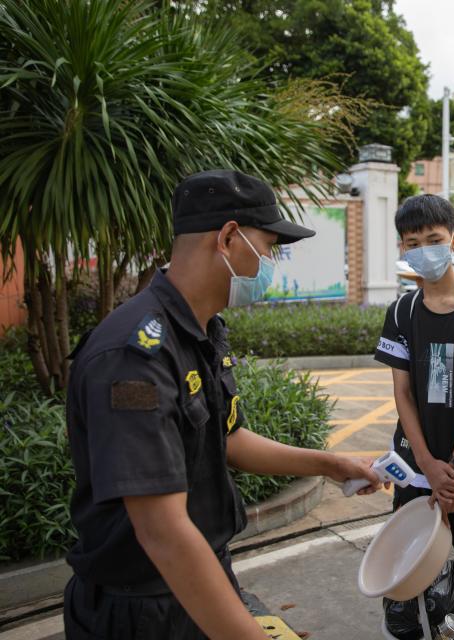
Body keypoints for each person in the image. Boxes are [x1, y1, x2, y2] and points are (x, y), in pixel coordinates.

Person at [62, 170, 382, 640]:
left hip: (198, 581)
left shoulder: (203, 329)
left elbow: (228, 437)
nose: (271, 262)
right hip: (144, 609)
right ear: (230, 237)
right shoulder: (134, 355)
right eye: (269, 246)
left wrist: (330, 464)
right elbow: (163, 532)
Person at [374, 194, 454, 639]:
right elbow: (403, 393)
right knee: (411, 567)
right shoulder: (402, 312)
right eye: (413, 243)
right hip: (415, 468)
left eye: (434, 239)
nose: (424, 250)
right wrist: (428, 467)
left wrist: (453, 470)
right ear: (402, 248)